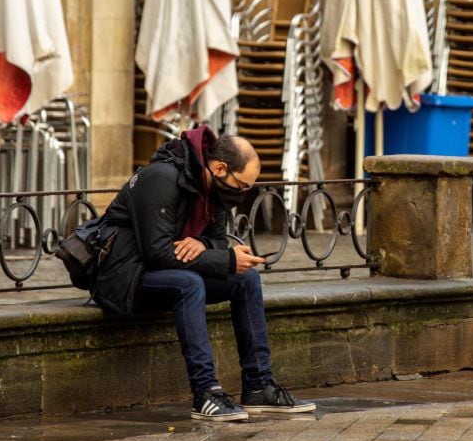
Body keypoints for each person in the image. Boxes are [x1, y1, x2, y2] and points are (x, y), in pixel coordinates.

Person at [94, 124, 315, 421]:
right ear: (220, 167)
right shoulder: (161, 178)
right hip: (123, 277)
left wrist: (200, 243)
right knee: (189, 283)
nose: (244, 194)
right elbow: (156, 254)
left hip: (161, 270)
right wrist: (223, 260)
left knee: (246, 278)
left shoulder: (213, 188)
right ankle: (205, 393)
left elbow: (218, 241)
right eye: (242, 186)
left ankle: (258, 385)